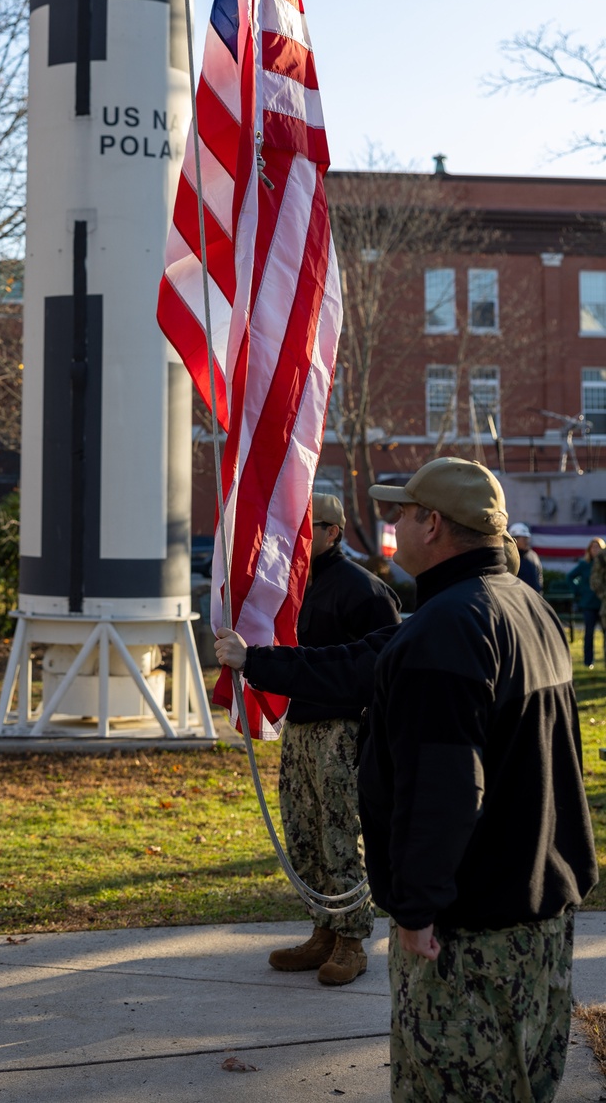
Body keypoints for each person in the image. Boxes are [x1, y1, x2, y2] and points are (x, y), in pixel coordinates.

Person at [215, 457, 596, 1103]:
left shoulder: (448, 629)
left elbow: (444, 788)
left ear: (433, 523)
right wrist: (258, 663)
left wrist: (416, 909)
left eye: (400, 513)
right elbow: (361, 666)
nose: (390, 525)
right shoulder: (524, 607)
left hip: (469, 933)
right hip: (541, 914)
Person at [269, 493, 400, 986]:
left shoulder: (364, 590)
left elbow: (383, 669)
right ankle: (322, 929)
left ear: (333, 532)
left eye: (311, 527)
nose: (300, 537)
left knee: (340, 835)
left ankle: (352, 941)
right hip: (299, 726)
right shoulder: (290, 587)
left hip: (343, 731)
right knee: (303, 835)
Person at [568, 538, 606, 669]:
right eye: (593, 548)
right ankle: (588, 661)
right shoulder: (585, 564)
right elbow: (570, 576)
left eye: (598, 548)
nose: (596, 550)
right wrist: (579, 590)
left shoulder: (603, 563)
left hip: (602, 603)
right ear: (589, 550)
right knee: (589, 633)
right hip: (589, 604)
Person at [509, 520, 543, 593]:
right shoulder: (508, 557)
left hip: (534, 598)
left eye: (527, 538)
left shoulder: (533, 556)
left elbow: (539, 575)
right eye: (524, 539)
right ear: (514, 539)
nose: (527, 541)